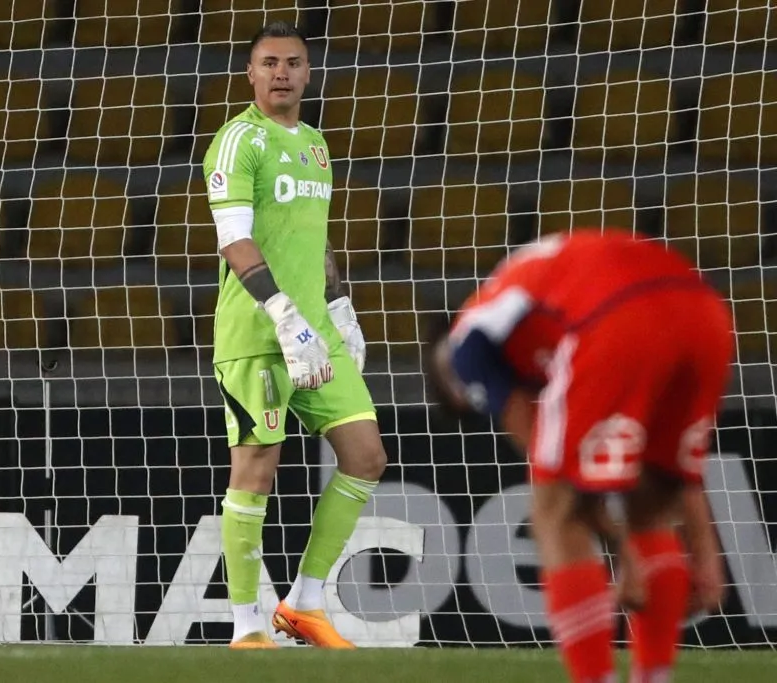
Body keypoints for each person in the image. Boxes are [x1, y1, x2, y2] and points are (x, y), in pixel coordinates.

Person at [426, 228, 730, 682]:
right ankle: (654, 675)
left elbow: (565, 489)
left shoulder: (470, 344)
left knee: (552, 512)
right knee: (652, 504)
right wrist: (706, 557)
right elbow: (677, 474)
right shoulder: (535, 309)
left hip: (619, 318)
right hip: (705, 313)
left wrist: (622, 556)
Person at [201, 21, 387, 649]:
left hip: (316, 332)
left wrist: (337, 305)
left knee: (365, 457)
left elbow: (314, 237)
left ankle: (304, 604)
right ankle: (247, 626)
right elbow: (234, 237)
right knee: (256, 468)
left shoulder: (315, 145)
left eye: (293, 63)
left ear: (308, 74)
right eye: (269, 63)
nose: (281, 72)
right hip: (259, 331)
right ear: (250, 74)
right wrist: (283, 311)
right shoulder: (237, 142)